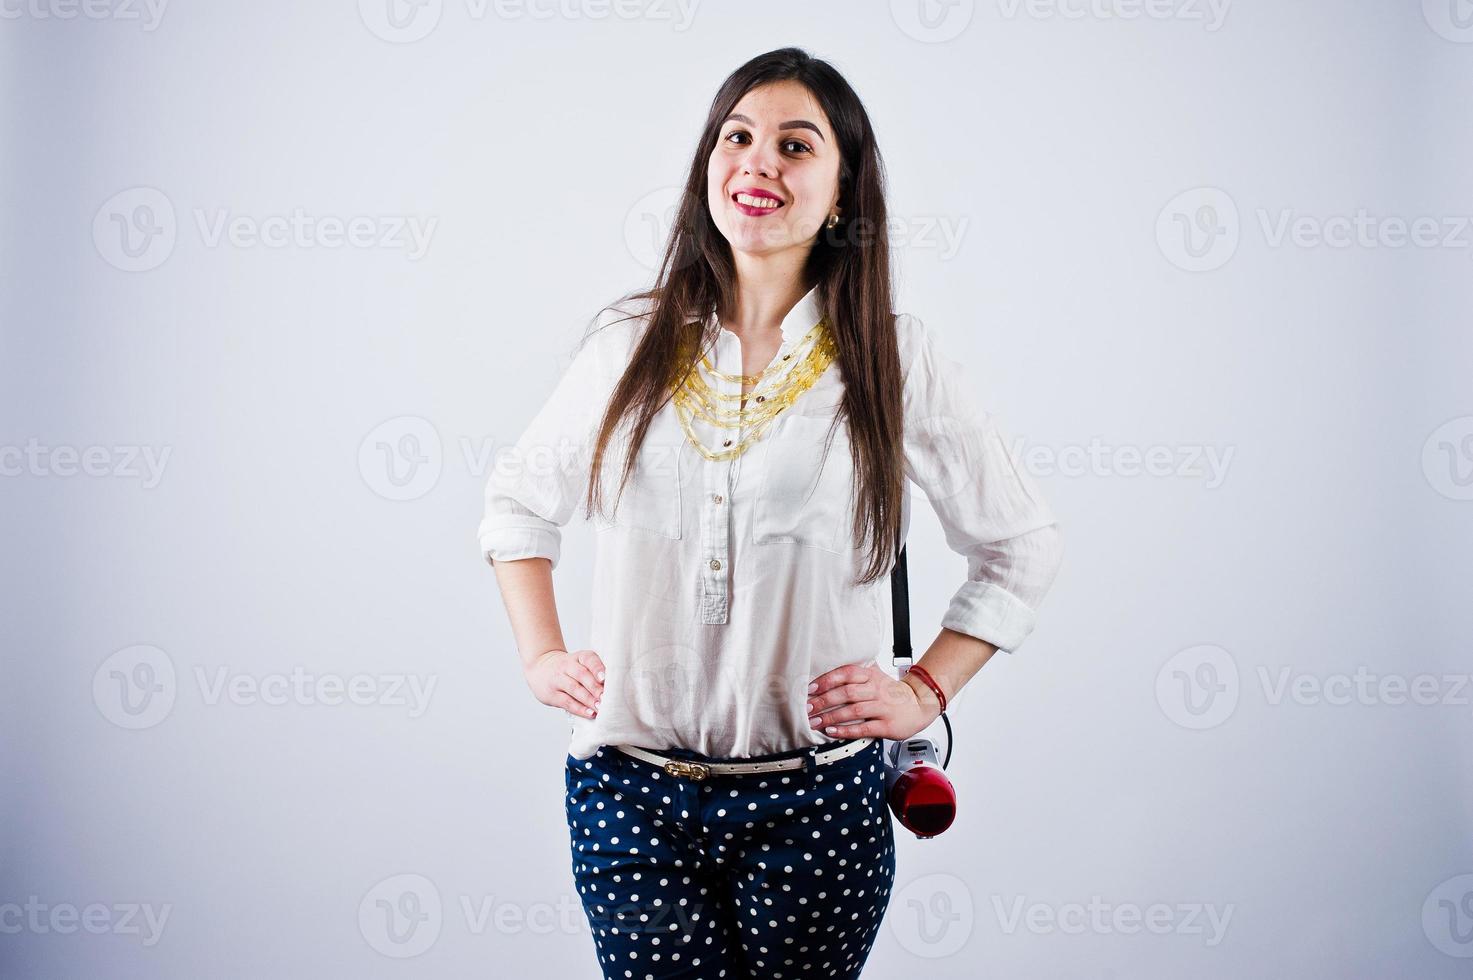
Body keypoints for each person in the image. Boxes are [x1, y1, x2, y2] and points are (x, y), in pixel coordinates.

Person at [478, 47, 1064, 980]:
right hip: (629, 793)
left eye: (796, 145)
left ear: (840, 192)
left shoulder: (890, 358)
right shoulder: (627, 344)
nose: (757, 162)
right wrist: (541, 655)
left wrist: (924, 691)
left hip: (816, 801)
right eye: (736, 136)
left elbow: (1018, 547)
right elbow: (516, 505)